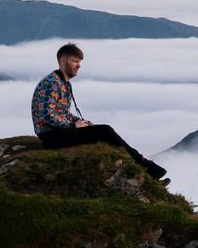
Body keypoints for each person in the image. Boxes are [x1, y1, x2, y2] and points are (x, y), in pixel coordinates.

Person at [29, 42, 168, 182]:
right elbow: (47, 116)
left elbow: (62, 113)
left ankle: (146, 171)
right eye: (75, 61)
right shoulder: (52, 83)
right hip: (51, 137)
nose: (79, 65)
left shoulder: (63, 82)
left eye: (79, 61)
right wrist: (72, 126)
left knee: (100, 131)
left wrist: (80, 121)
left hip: (58, 133)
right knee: (105, 131)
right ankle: (147, 167)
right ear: (63, 61)